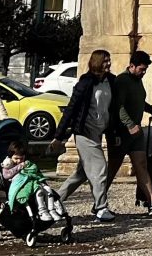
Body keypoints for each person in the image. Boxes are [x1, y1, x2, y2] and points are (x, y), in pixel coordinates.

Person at [108, 51, 152, 216]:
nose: (144, 72)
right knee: (112, 170)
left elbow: (138, 101)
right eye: (141, 69)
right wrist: (129, 124)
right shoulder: (122, 81)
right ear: (132, 66)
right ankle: (99, 202)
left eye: (145, 70)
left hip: (136, 133)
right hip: (121, 133)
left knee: (141, 165)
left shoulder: (137, 81)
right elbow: (119, 106)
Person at [55, 51, 117, 222]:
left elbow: (114, 107)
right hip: (85, 133)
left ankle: (54, 200)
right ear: (97, 62)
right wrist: (58, 136)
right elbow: (71, 108)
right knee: (100, 169)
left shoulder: (111, 81)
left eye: (109, 60)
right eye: (105, 61)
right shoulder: (86, 82)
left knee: (81, 174)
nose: (109, 63)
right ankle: (100, 208)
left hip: (98, 132)